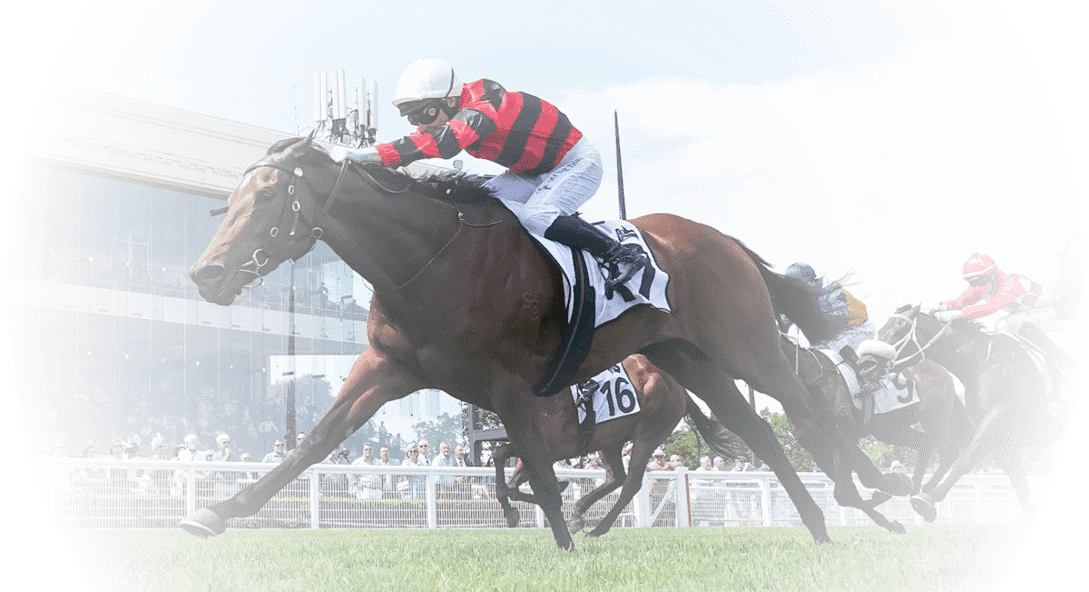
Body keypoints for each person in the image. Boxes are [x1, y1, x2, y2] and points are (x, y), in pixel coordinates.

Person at [329, 58, 649, 290]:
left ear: (451, 101)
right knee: (473, 201)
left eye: (424, 113)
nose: (420, 124)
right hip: (532, 172)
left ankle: (619, 253)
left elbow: (446, 143)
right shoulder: (462, 106)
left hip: (576, 164)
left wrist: (374, 154)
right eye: (411, 117)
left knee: (537, 215)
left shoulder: (484, 107)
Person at [935, 252, 1076, 400]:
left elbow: (991, 307)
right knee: (1003, 325)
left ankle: (1062, 359)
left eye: (981, 281)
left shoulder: (1011, 283)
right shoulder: (982, 287)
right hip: (1027, 315)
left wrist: (956, 315)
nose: (977, 286)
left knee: (1005, 324)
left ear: (993, 275)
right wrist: (941, 307)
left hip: (1050, 311)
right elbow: (960, 302)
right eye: (972, 282)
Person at [782, 262, 873, 355]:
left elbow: (843, 317)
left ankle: (858, 367)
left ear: (812, 282)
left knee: (832, 344)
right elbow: (785, 322)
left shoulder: (831, 289)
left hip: (859, 329)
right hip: (834, 332)